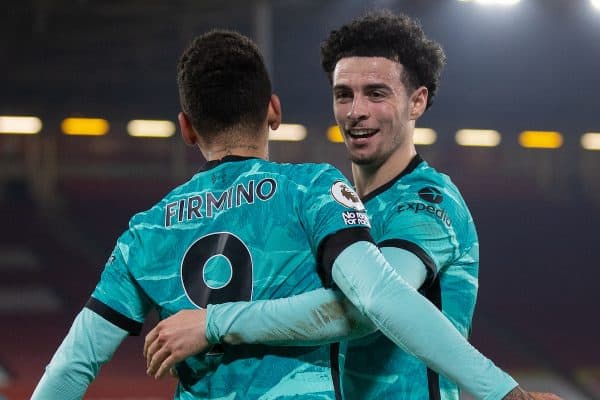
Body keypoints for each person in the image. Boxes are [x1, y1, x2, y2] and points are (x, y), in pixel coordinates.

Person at [142, 16, 561, 400]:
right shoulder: (330, 209)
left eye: (376, 94)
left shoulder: (426, 203)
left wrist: (215, 324)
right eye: (344, 95)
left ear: (416, 102)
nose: (356, 111)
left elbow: (365, 307)